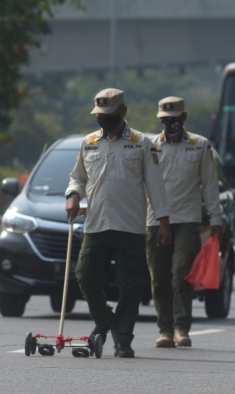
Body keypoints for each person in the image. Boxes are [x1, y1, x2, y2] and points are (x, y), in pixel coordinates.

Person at [65, 88, 171, 358]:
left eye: (109, 115)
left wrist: (163, 223)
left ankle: (122, 338)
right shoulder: (88, 142)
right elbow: (77, 177)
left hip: (131, 227)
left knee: (132, 285)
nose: (104, 119)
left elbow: (155, 186)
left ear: (123, 112)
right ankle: (105, 321)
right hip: (96, 225)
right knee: (85, 276)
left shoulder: (141, 143)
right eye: (100, 115)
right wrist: (73, 196)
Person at [147, 96, 223, 348]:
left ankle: (181, 328)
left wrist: (216, 218)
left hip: (188, 220)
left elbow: (210, 185)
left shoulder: (200, 146)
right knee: (159, 278)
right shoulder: (150, 147)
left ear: (184, 119)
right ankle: (165, 330)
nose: (169, 125)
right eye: (164, 121)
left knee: (181, 274)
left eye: (174, 120)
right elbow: (139, 186)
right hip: (156, 219)